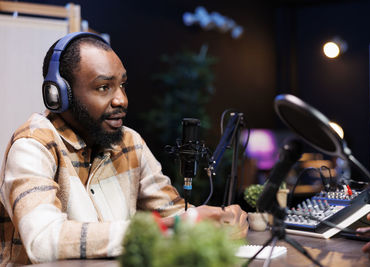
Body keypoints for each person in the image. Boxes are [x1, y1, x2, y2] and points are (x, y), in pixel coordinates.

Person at [0, 32, 248, 265]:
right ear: (59, 96)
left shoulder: (130, 142)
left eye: (122, 85)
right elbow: (43, 240)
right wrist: (178, 226)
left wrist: (217, 221)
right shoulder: (32, 146)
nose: (122, 100)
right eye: (103, 87)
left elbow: (172, 215)